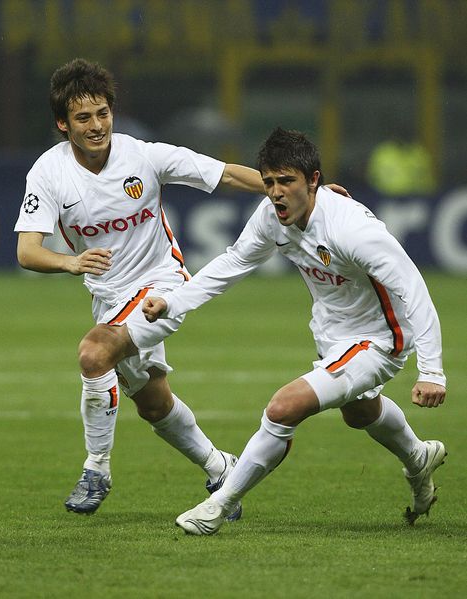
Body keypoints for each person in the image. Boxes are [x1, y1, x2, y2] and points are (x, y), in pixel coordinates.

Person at [14, 58, 350, 516]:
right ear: (62, 123)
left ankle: (97, 469)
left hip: (162, 288)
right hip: (109, 298)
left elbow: (227, 173)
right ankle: (222, 468)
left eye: (103, 114)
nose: (96, 126)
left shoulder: (144, 156)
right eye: (83, 118)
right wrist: (71, 261)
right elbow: (27, 251)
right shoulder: (48, 173)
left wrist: (314, 195)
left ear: (112, 111)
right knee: (154, 405)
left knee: (94, 354)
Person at [142, 127, 447, 535]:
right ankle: (417, 457)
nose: (276, 192)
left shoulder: (352, 229)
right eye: (269, 182)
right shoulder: (272, 216)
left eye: (287, 181)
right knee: (360, 412)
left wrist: (431, 372)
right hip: (332, 334)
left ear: (314, 180)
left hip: (379, 338)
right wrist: (173, 301)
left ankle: (218, 505)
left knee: (284, 407)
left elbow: (413, 290)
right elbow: (235, 262)